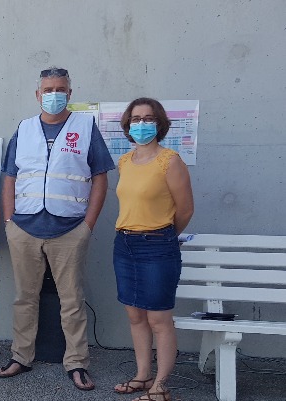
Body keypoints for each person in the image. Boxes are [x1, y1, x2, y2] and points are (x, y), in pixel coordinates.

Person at [0, 67, 115, 391]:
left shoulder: (85, 127)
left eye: (60, 89)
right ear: (38, 95)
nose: (53, 95)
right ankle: (21, 356)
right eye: (47, 90)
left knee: (72, 300)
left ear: (70, 93)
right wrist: (9, 221)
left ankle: (76, 363)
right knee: (24, 298)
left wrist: (87, 226)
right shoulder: (25, 128)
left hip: (69, 230)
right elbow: (10, 176)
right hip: (25, 228)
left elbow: (100, 178)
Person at [112, 98, 193, 401]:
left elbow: (185, 209)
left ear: (159, 123)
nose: (141, 124)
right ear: (128, 124)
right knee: (135, 316)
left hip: (158, 245)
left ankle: (161, 386)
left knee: (159, 320)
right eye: (136, 119)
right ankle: (143, 375)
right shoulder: (124, 161)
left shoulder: (170, 161)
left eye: (148, 118)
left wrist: (163, 236)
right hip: (125, 244)